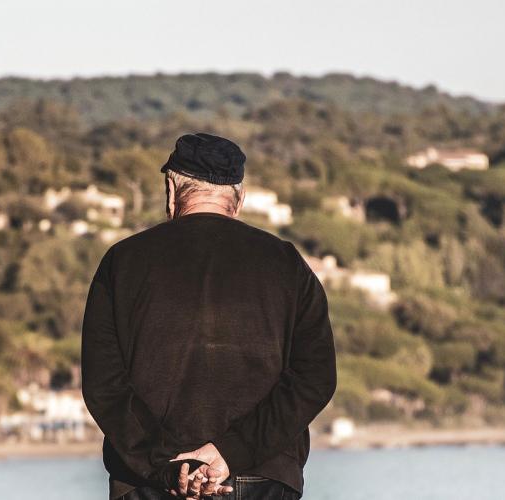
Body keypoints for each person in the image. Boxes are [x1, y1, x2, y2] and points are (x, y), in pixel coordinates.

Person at [82, 133, 337, 499]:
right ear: (239, 198)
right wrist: (233, 452)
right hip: (262, 478)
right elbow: (315, 377)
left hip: (151, 484)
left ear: (171, 189)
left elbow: (104, 386)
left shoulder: (122, 263)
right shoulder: (285, 263)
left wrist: (170, 467)